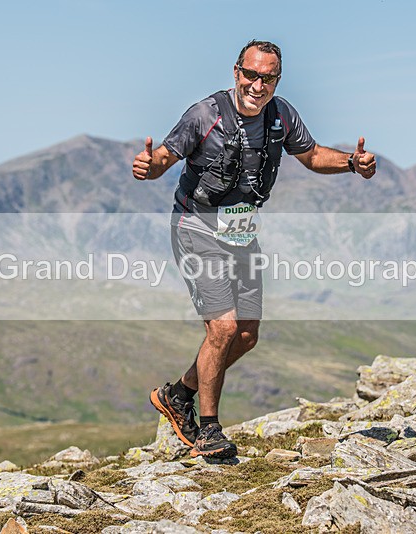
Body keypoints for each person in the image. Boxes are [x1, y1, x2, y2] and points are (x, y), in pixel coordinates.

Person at [132, 39, 376, 458]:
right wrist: (147, 166)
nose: (258, 84)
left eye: (268, 77)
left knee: (245, 335)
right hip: (197, 227)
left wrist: (352, 164)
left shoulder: (281, 115)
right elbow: (165, 158)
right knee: (222, 329)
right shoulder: (205, 114)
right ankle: (208, 430)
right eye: (251, 74)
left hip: (242, 233)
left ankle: (178, 395)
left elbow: (312, 155)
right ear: (236, 72)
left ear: (277, 80)